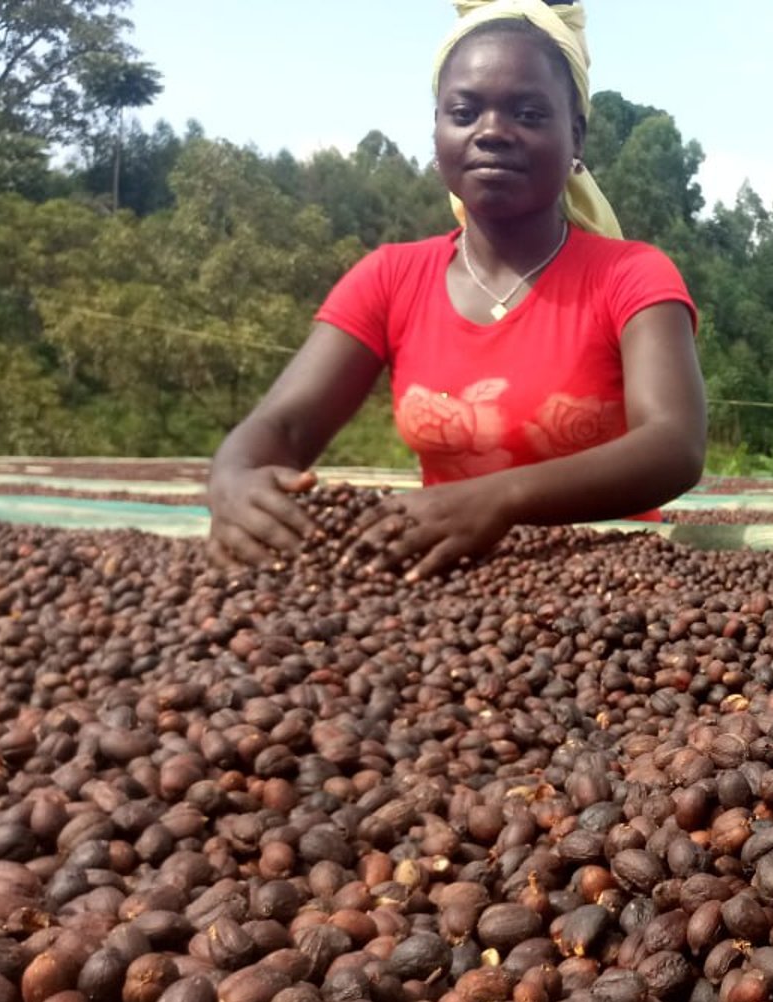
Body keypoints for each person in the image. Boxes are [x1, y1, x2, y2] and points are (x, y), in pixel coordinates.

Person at [206, 0, 705, 581]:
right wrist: (233, 475)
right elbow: (284, 428)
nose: (492, 132)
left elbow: (674, 444)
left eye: (527, 113)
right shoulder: (391, 277)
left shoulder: (632, 276)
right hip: (443, 579)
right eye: (465, 112)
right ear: (438, 130)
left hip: (610, 585)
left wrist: (498, 499)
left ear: (576, 137)